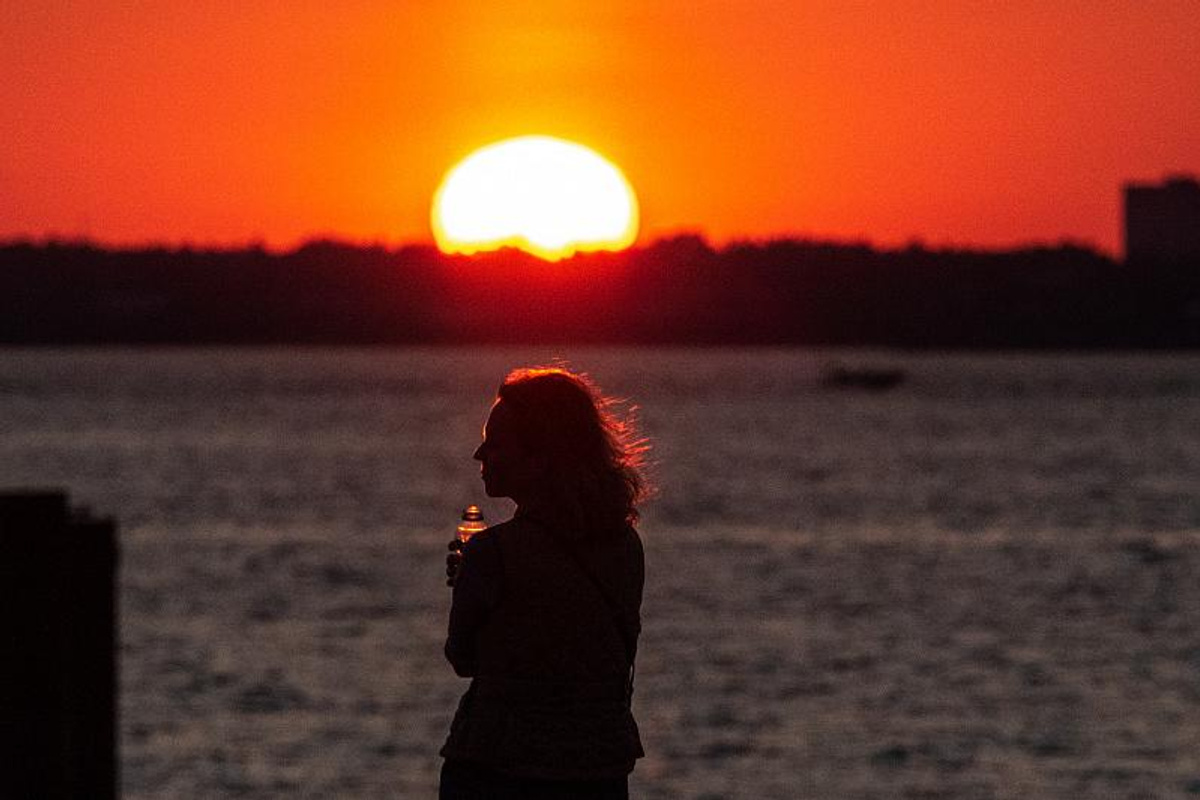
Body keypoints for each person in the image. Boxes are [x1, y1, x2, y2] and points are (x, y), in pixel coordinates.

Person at [440, 367, 649, 800]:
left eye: (496, 443)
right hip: (599, 769)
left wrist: (469, 587)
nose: (480, 453)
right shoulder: (626, 546)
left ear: (540, 458)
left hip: (497, 768)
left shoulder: (495, 553)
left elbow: (463, 658)